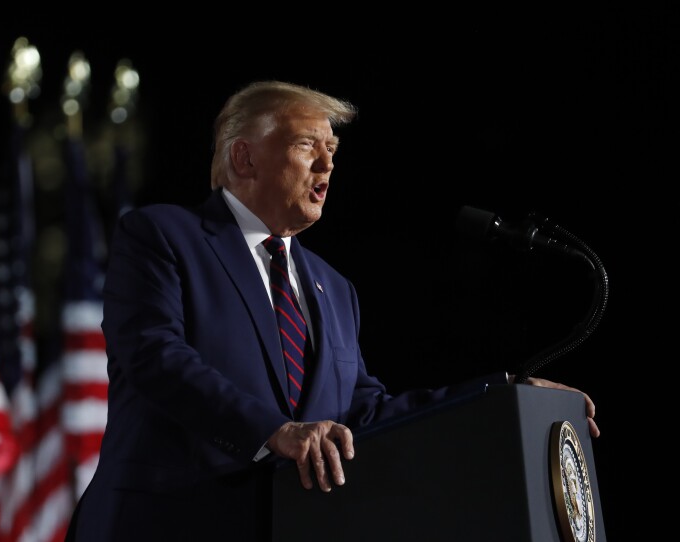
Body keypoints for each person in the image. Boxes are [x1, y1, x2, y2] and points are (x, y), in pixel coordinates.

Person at [65, 80, 599, 540]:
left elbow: (363, 414)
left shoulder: (334, 288)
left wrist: (504, 394)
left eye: (332, 150)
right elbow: (155, 357)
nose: (327, 164)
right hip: (165, 523)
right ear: (244, 157)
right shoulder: (162, 236)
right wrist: (274, 430)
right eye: (307, 145)